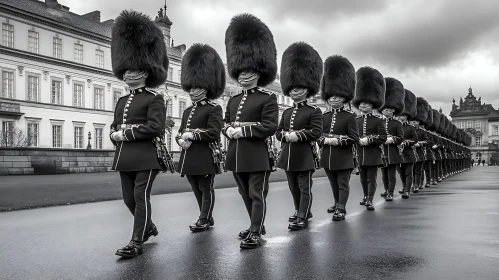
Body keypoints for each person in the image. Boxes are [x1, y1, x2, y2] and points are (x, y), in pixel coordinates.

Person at [110, 10, 168, 258]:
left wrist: (127, 134)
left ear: (144, 72)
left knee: (140, 197)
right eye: (125, 70)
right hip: (125, 156)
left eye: (132, 70)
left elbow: (155, 127)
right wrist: (114, 135)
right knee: (128, 200)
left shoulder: (155, 98)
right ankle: (149, 227)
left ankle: (136, 241)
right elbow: (115, 125)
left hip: (146, 155)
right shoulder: (122, 99)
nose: (127, 74)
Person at [222, 14, 279, 249]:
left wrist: (242, 132)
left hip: (256, 153)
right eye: (241, 71)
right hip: (236, 153)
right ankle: (256, 224)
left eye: (250, 71)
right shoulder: (234, 99)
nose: (244, 74)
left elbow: (270, 126)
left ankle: (256, 231)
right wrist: (228, 131)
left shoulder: (269, 97)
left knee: (257, 194)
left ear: (259, 72)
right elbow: (226, 122)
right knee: (244, 193)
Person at [175, 43, 225, 232]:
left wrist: (193, 135)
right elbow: (180, 131)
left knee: (206, 189)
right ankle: (207, 217)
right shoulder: (188, 110)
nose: (193, 91)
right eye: (191, 87)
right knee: (196, 189)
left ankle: (203, 218)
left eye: (197, 87)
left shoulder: (214, 108)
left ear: (206, 88)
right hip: (189, 156)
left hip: (205, 155)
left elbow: (213, 132)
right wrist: (180, 139)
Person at [276, 42, 323, 230]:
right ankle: (300, 210)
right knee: (293, 187)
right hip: (288, 155)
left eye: (298, 88)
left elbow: (317, 132)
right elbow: (278, 132)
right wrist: (285, 136)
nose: (294, 91)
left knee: (305, 187)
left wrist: (299, 135)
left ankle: (302, 215)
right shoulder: (287, 112)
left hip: (304, 154)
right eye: (292, 89)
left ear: (306, 89)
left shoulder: (314, 111)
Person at [318, 55, 359, 221]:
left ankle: (341, 208)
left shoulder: (350, 116)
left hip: (343, 156)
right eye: (331, 96)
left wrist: (337, 140)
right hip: (328, 155)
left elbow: (354, 137)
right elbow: (318, 134)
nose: (334, 99)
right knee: (333, 183)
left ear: (344, 97)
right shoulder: (324, 115)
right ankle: (337, 203)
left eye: (338, 96)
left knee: (343, 183)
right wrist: (323, 140)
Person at [352, 67, 387, 210]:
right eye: (361, 104)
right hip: (360, 153)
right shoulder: (357, 120)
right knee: (362, 178)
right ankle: (365, 196)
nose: (362, 106)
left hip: (372, 153)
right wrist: (357, 141)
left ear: (372, 105)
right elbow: (353, 134)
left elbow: (383, 137)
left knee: (371, 178)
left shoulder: (378, 120)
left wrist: (369, 140)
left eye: (365, 104)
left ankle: (370, 199)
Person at [379, 78, 405, 201]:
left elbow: (400, 138)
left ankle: (390, 192)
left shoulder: (397, 123)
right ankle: (386, 190)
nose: (386, 111)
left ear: (393, 110)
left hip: (392, 152)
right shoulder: (379, 122)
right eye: (385, 109)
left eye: (389, 109)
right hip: (381, 151)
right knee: (384, 174)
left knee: (391, 174)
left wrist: (390, 139)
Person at [397, 90, 418, 199]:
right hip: (398, 154)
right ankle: (404, 186)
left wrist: (406, 142)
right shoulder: (395, 125)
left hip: (408, 153)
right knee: (401, 173)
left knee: (408, 173)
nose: (400, 117)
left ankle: (407, 190)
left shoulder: (410, 127)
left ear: (406, 116)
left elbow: (415, 139)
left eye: (402, 116)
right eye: (399, 115)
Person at [411, 97, 430, 193]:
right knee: (410, 171)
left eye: (415, 122)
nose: (413, 123)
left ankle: (416, 185)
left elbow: (427, 141)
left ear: (418, 122)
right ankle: (410, 184)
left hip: (419, 152)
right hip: (409, 153)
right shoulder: (407, 129)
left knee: (418, 170)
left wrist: (419, 144)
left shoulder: (422, 132)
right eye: (412, 121)